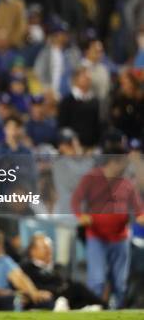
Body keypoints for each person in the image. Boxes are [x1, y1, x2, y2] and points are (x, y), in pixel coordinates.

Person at [71, 131, 144, 308]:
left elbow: (139, 211)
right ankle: (94, 311)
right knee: (97, 280)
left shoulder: (126, 184)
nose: (124, 166)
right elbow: (76, 201)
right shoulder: (91, 179)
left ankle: (117, 313)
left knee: (120, 283)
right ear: (113, 161)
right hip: (96, 237)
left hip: (120, 238)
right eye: (122, 162)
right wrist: (81, 216)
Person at [21, 233, 104, 310]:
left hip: (66, 295)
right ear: (33, 250)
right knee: (76, 288)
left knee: (77, 287)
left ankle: (100, 306)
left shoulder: (58, 267)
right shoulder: (26, 268)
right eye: (45, 248)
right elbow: (30, 285)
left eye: (50, 247)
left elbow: (67, 281)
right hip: (47, 296)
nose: (48, 250)